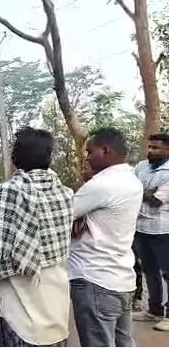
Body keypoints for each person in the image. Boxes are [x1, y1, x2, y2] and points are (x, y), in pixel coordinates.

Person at [0, 127, 72, 347]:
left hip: (18, 311)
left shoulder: (6, 194)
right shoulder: (65, 194)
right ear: (48, 157)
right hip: (56, 304)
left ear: (16, 157)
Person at [69, 127, 142, 347]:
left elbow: (61, 217)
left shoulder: (101, 185)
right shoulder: (132, 180)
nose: (87, 157)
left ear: (105, 150)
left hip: (95, 278)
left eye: (90, 152)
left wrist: (87, 184)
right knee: (123, 342)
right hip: (121, 277)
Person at [132, 133, 169, 332]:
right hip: (142, 228)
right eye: (150, 147)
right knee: (150, 271)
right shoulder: (141, 167)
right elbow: (129, 189)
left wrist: (139, 191)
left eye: (156, 148)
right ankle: (154, 310)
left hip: (163, 229)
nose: (151, 151)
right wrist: (146, 191)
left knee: (167, 273)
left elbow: (156, 201)